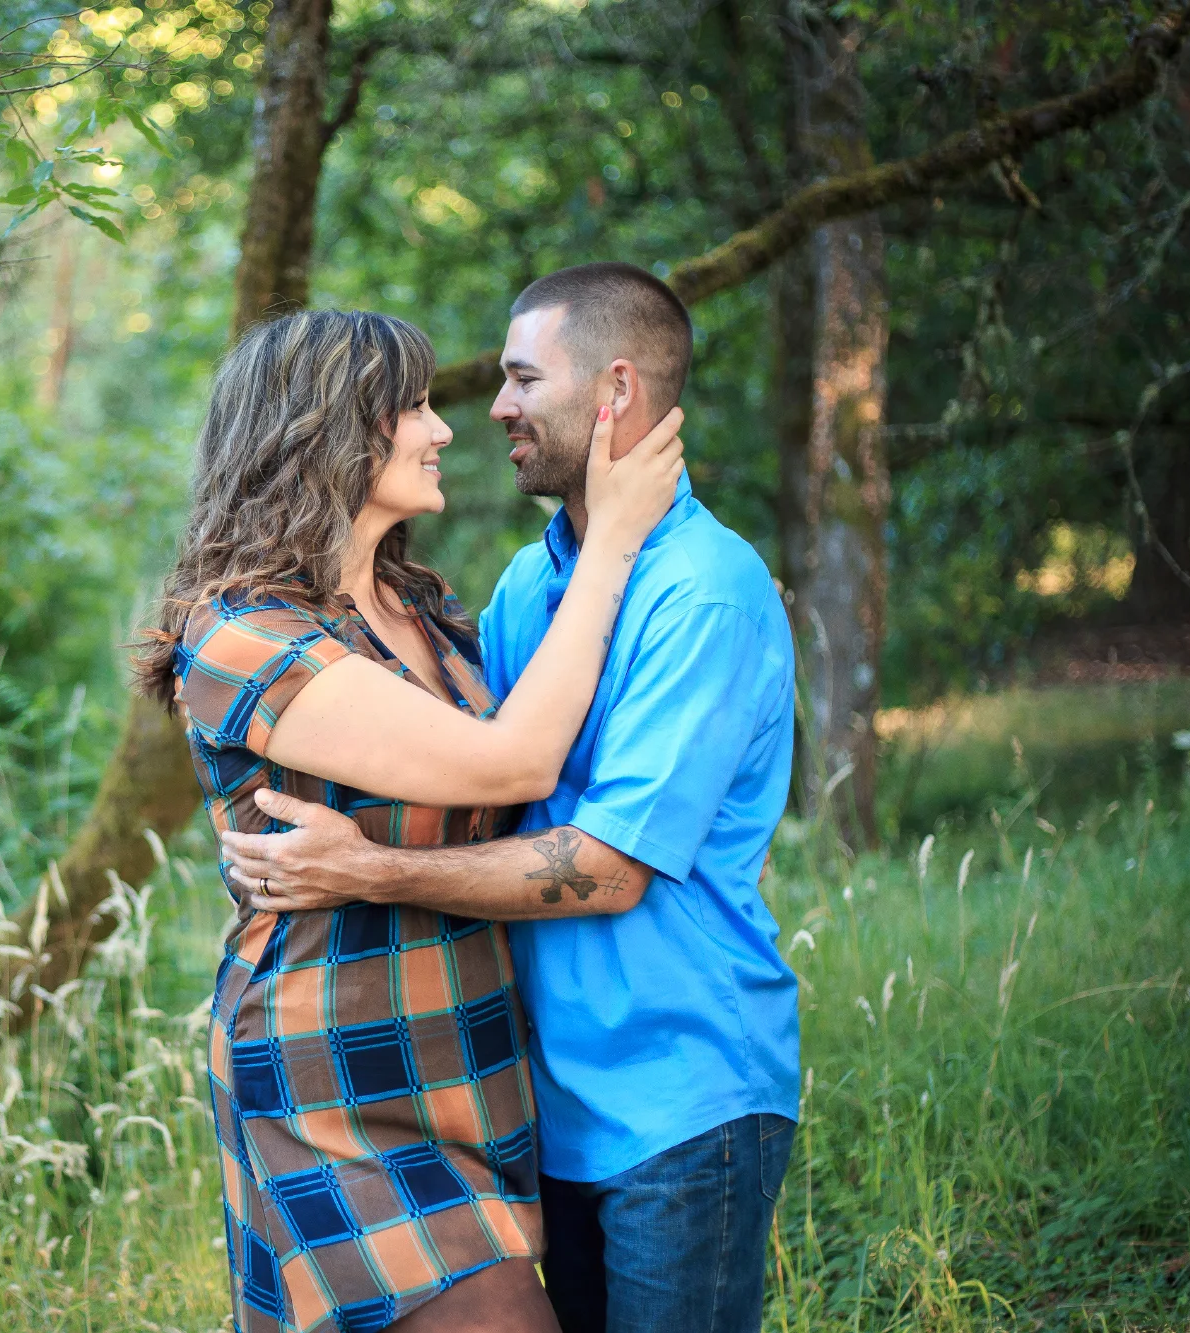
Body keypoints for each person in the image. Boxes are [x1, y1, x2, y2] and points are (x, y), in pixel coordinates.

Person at [220, 264, 800, 1333]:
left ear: (613, 390)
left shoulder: (703, 592)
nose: (490, 409)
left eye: (522, 379)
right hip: (533, 1100)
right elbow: (450, 774)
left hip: (677, 1094)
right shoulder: (533, 589)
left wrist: (362, 868)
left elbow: (604, 867)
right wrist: (259, 836)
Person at [135, 307, 685, 1333]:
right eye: (414, 406)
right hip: (335, 1076)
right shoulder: (242, 632)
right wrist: (611, 538)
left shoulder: (419, 610)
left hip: (472, 1060)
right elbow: (513, 756)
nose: (442, 429)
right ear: (327, 431)